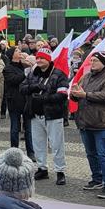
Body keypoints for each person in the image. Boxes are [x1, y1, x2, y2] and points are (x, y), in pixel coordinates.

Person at [71, 52, 105, 198]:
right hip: (85, 121)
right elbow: (77, 93)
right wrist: (74, 93)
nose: (92, 63)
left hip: (102, 122)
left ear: (104, 63)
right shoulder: (86, 76)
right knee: (91, 153)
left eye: (95, 60)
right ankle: (97, 179)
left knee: (104, 154)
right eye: (91, 60)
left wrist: (85, 95)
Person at [22, 50, 69, 185]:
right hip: (35, 114)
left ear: (49, 59)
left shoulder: (59, 74)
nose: (39, 60)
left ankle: (60, 171)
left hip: (53, 114)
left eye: (42, 58)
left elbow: (62, 94)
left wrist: (44, 98)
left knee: (56, 144)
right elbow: (22, 88)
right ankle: (42, 168)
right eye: (38, 58)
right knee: (38, 144)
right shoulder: (33, 73)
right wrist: (34, 87)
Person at [3, 49, 33, 157]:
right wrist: (25, 74)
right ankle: (14, 151)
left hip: (26, 101)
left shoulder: (24, 65)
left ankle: (31, 152)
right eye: (16, 51)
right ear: (12, 55)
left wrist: (30, 65)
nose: (19, 51)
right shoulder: (7, 69)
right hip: (14, 101)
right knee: (15, 128)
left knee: (28, 129)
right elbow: (13, 80)